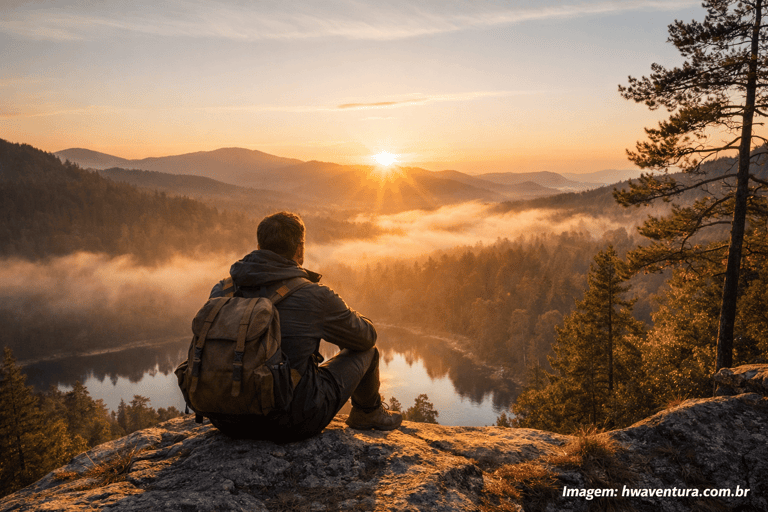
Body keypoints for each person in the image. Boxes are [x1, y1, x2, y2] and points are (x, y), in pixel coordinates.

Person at [208, 211, 401, 442]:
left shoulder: (223, 290)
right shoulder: (312, 295)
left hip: (225, 420)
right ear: (300, 249)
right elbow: (366, 338)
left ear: (259, 245)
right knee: (368, 352)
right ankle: (367, 414)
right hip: (290, 422)